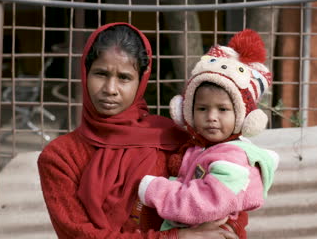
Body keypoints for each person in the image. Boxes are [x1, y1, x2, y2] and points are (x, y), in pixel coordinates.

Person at [38, 22, 247, 239]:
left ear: (141, 81)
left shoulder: (177, 140)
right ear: (85, 73)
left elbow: (228, 197)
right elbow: (77, 234)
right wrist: (177, 237)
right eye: (100, 74)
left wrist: (227, 229)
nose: (110, 89)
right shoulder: (60, 157)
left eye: (124, 78)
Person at [137, 29, 279, 234]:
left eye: (222, 110)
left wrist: (155, 190)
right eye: (202, 109)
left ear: (242, 117)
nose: (212, 117)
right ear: (187, 111)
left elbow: (202, 203)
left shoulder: (233, 159)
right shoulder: (201, 147)